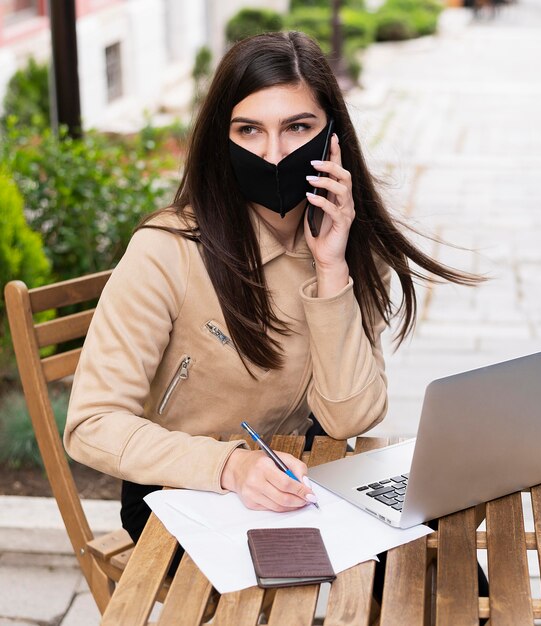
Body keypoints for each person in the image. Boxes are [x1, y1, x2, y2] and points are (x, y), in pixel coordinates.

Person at [64, 31, 481, 557]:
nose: (274, 152)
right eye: (249, 130)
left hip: (303, 477)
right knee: (291, 584)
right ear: (223, 138)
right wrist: (231, 466)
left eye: (297, 127)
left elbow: (349, 419)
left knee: (446, 571)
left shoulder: (350, 243)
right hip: (177, 489)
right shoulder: (166, 251)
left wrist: (331, 268)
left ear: (332, 137)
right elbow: (91, 425)